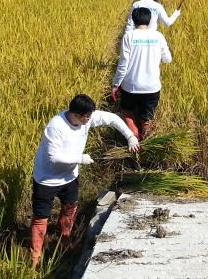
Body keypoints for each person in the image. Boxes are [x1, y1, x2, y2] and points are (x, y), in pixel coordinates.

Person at [30, 94, 139, 267]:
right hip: (47, 179)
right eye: (86, 118)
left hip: (69, 176)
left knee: (70, 208)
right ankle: (34, 259)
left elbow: (112, 118)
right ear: (76, 115)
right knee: (41, 218)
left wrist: (130, 136)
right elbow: (53, 157)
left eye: (90, 116)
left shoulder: (86, 118)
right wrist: (80, 159)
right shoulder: (56, 127)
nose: (89, 120)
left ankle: (65, 243)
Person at [113, 7, 172, 140]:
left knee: (126, 110)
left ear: (133, 20)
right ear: (150, 20)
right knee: (146, 118)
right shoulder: (158, 36)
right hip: (152, 87)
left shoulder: (129, 36)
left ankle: (134, 138)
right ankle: (146, 146)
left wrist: (115, 84)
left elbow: (123, 64)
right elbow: (168, 59)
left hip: (130, 86)